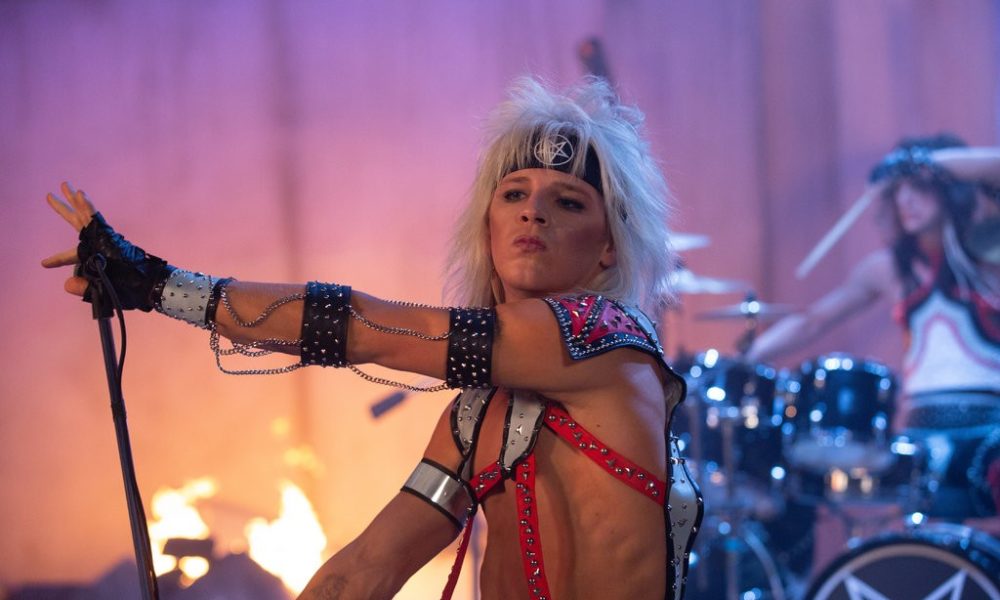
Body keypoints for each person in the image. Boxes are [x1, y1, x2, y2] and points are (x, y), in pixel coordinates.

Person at [42, 77, 702, 600]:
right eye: (515, 194)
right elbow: (363, 572)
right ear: (489, 227)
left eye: (568, 202)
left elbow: (363, 327)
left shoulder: (603, 341)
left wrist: (162, 286)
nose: (534, 211)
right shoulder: (476, 420)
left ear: (608, 248)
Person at [746, 134, 1000, 521]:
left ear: (950, 190)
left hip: (991, 427)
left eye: (918, 188)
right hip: (923, 436)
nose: (906, 201)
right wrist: (749, 357)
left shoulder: (987, 257)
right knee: (935, 536)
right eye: (898, 191)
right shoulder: (887, 269)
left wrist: (927, 162)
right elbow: (813, 320)